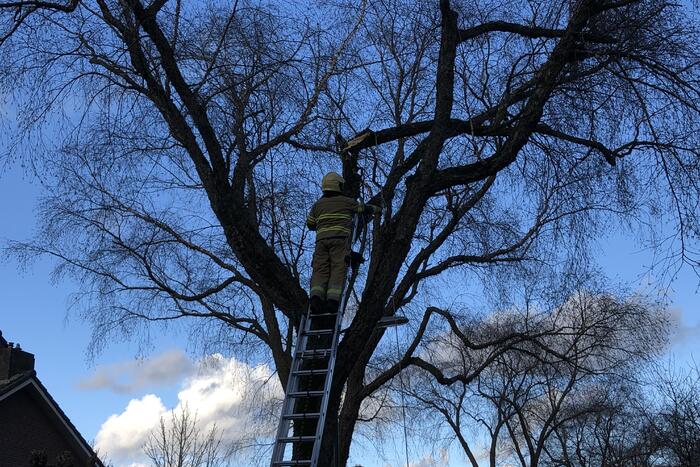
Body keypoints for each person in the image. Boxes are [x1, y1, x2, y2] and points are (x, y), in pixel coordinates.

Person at [306, 171, 378, 314]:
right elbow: (363, 209)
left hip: (321, 243)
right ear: (338, 185)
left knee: (320, 270)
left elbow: (310, 224)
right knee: (338, 269)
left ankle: (315, 299)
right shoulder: (347, 201)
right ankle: (332, 301)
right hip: (339, 240)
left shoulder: (317, 205)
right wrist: (377, 209)